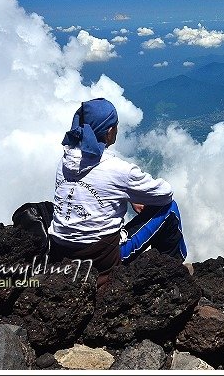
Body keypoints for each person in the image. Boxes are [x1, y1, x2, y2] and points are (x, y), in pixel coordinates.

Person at [48, 98, 187, 288]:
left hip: (60, 253)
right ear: (109, 131)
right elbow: (164, 194)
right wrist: (132, 193)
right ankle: (174, 275)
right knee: (170, 209)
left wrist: (128, 194)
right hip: (101, 259)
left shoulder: (64, 162)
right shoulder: (118, 169)